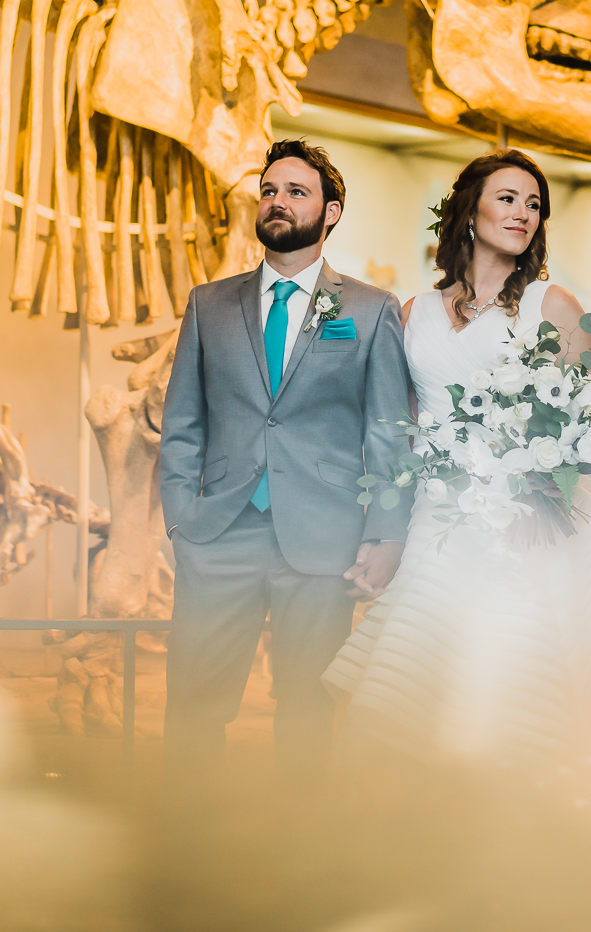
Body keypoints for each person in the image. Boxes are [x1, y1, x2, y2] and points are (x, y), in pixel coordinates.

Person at [323, 149, 591, 769]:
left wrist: (533, 472)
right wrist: (381, 528)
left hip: (536, 525)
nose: (523, 213)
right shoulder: (412, 314)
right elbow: (398, 431)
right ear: (470, 212)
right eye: (509, 198)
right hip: (441, 522)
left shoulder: (553, 306)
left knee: (529, 690)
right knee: (419, 694)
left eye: (534, 204)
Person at [160, 139, 411, 774]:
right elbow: (184, 424)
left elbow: (387, 431)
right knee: (193, 705)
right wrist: (180, 521)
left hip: (323, 540)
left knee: (307, 707)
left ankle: (298, 853)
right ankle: (180, 840)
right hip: (217, 534)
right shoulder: (208, 305)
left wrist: (384, 533)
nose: (277, 201)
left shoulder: (369, 309)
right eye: (269, 190)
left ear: (330, 212)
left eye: (297, 192)